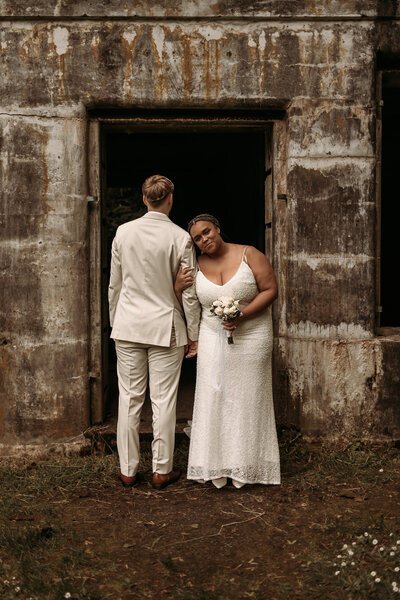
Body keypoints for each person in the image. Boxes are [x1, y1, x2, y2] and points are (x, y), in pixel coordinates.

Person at [175, 214, 281, 488]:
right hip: (213, 334)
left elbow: (270, 290)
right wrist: (176, 289)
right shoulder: (195, 266)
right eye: (197, 238)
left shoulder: (250, 254)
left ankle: (247, 464)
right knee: (214, 395)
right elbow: (189, 302)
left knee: (248, 396)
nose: (204, 239)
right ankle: (215, 463)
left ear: (218, 228)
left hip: (253, 333)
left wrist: (241, 314)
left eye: (207, 232)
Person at [108, 175, 200, 490]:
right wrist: (194, 332)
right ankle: (162, 471)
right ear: (170, 199)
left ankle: (128, 470)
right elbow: (188, 292)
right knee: (163, 400)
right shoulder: (180, 238)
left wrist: (115, 321)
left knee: (129, 399)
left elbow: (115, 285)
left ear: (144, 199)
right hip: (166, 327)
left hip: (128, 326)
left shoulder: (123, 233)